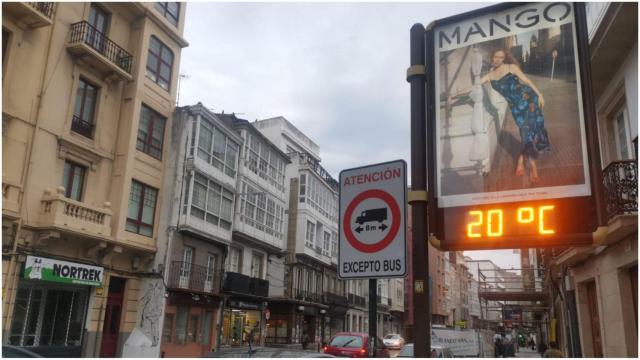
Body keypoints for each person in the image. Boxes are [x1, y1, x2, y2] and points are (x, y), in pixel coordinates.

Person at [450, 48, 551, 185]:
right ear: (492, 58)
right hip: (516, 108)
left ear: (504, 58)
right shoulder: (490, 76)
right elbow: (474, 86)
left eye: (501, 57)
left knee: (530, 132)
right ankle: (521, 158)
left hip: (529, 101)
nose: (498, 59)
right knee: (524, 133)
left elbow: (526, 81)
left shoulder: (511, 67)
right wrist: (455, 95)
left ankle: (532, 167)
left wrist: (540, 94)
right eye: (495, 57)